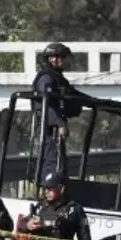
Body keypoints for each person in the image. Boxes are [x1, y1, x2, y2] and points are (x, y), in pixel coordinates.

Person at [31, 42, 84, 180]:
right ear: (52, 59)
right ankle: (49, 190)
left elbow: (75, 95)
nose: (67, 61)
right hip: (49, 132)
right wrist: (60, 123)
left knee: (60, 166)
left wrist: (95, 101)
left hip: (55, 133)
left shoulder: (59, 79)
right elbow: (46, 104)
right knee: (53, 166)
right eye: (64, 57)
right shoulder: (46, 78)